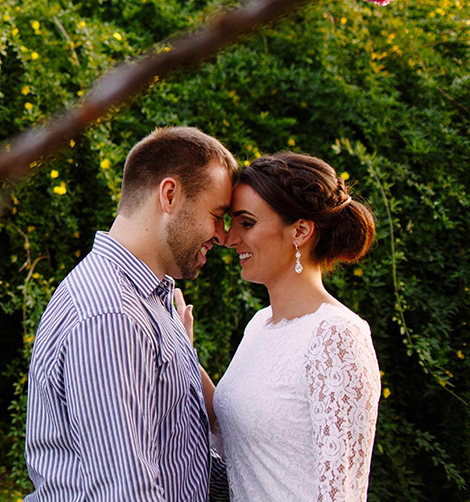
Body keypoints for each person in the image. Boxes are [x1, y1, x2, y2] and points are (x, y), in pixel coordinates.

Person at [24, 126, 237, 502]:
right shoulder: (111, 315)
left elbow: (180, 459)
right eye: (218, 214)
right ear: (169, 195)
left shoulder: (153, 299)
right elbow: (125, 490)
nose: (222, 235)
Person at [211, 152, 380, 502]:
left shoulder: (336, 336)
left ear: (300, 231)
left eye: (246, 223)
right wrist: (178, 347)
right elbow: (235, 429)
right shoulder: (259, 325)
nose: (229, 239)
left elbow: (340, 492)